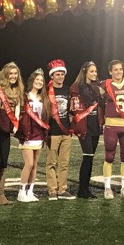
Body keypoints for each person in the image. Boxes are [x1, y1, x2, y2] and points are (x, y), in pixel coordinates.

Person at [100, 60, 124, 199]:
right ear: (110, 72)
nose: (118, 72)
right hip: (111, 124)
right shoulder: (105, 84)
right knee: (109, 156)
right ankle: (107, 188)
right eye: (115, 70)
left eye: (120, 69)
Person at [0, 62, 24, 205]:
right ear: (5, 75)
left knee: (4, 162)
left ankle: (1, 193)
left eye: (16, 74)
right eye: (11, 73)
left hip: (6, 130)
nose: (14, 76)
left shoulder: (18, 90)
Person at [16, 69, 51, 202]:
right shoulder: (24, 96)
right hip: (27, 134)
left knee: (35, 165)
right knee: (29, 164)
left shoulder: (44, 98)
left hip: (40, 134)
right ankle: (21, 192)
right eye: (37, 80)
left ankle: (30, 191)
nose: (39, 82)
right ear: (32, 81)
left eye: (41, 80)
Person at [70, 61, 104, 199]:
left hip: (95, 125)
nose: (94, 74)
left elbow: (102, 105)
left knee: (90, 158)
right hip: (84, 126)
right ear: (85, 72)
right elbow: (74, 108)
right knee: (87, 156)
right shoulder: (77, 87)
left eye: (95, 71)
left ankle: (86, 188)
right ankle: (82, 189)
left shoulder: (98, 86)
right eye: (91, 71)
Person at [46, 59, 75, 200]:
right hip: (52, 132)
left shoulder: (68, 89)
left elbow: (70, 110)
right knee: (51, 162)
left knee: (64, 163)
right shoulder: (47, 91)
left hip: (66, 132)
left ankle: (62, 189)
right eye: (57, 74)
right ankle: (52, 189)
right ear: (52, 76)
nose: (60, 77)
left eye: (62, 74)